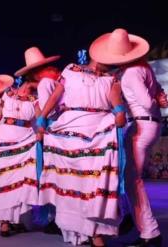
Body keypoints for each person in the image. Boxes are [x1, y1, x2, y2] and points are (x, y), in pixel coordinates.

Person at [37, 36, 126, 245]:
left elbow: (116, 101)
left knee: (94, 182)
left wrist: (120, 113)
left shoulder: (111, 78)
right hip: (69, 131)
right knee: (72, 181)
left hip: (98, 131)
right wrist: (42, 118)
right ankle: (78, 232)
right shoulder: (70, 70)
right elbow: (55, 97)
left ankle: (96, 233)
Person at [90, 28, 167, 247]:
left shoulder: (132, 72)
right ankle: (134, 220)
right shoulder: (143, 68)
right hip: (149, 125)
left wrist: (127, 105)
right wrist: (158, 97)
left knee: (132, 181)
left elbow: (146, 101)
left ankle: (150, 233)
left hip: (140, 125)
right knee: (128, 179)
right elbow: (158, 93)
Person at [0, 76, 41, 237]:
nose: (36, 85)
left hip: (25, 140)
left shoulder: (35, 99)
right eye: (33, 82)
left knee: (20, 181)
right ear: (26, 81)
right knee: (4, 180)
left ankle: (14, 220)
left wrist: (42, 131)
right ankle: (4, 220)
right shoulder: (7, 95)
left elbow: (40, 118)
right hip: (3, 138)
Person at [15, 46, 62, 234]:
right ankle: (57, 218)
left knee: (52, 176)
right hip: (59, 131)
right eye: (50, 67)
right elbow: (49, 109)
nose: (54, 69)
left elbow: (46, 110)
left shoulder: (46, 84)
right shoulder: (51, 83)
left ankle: (56, 218)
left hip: (53, 132)